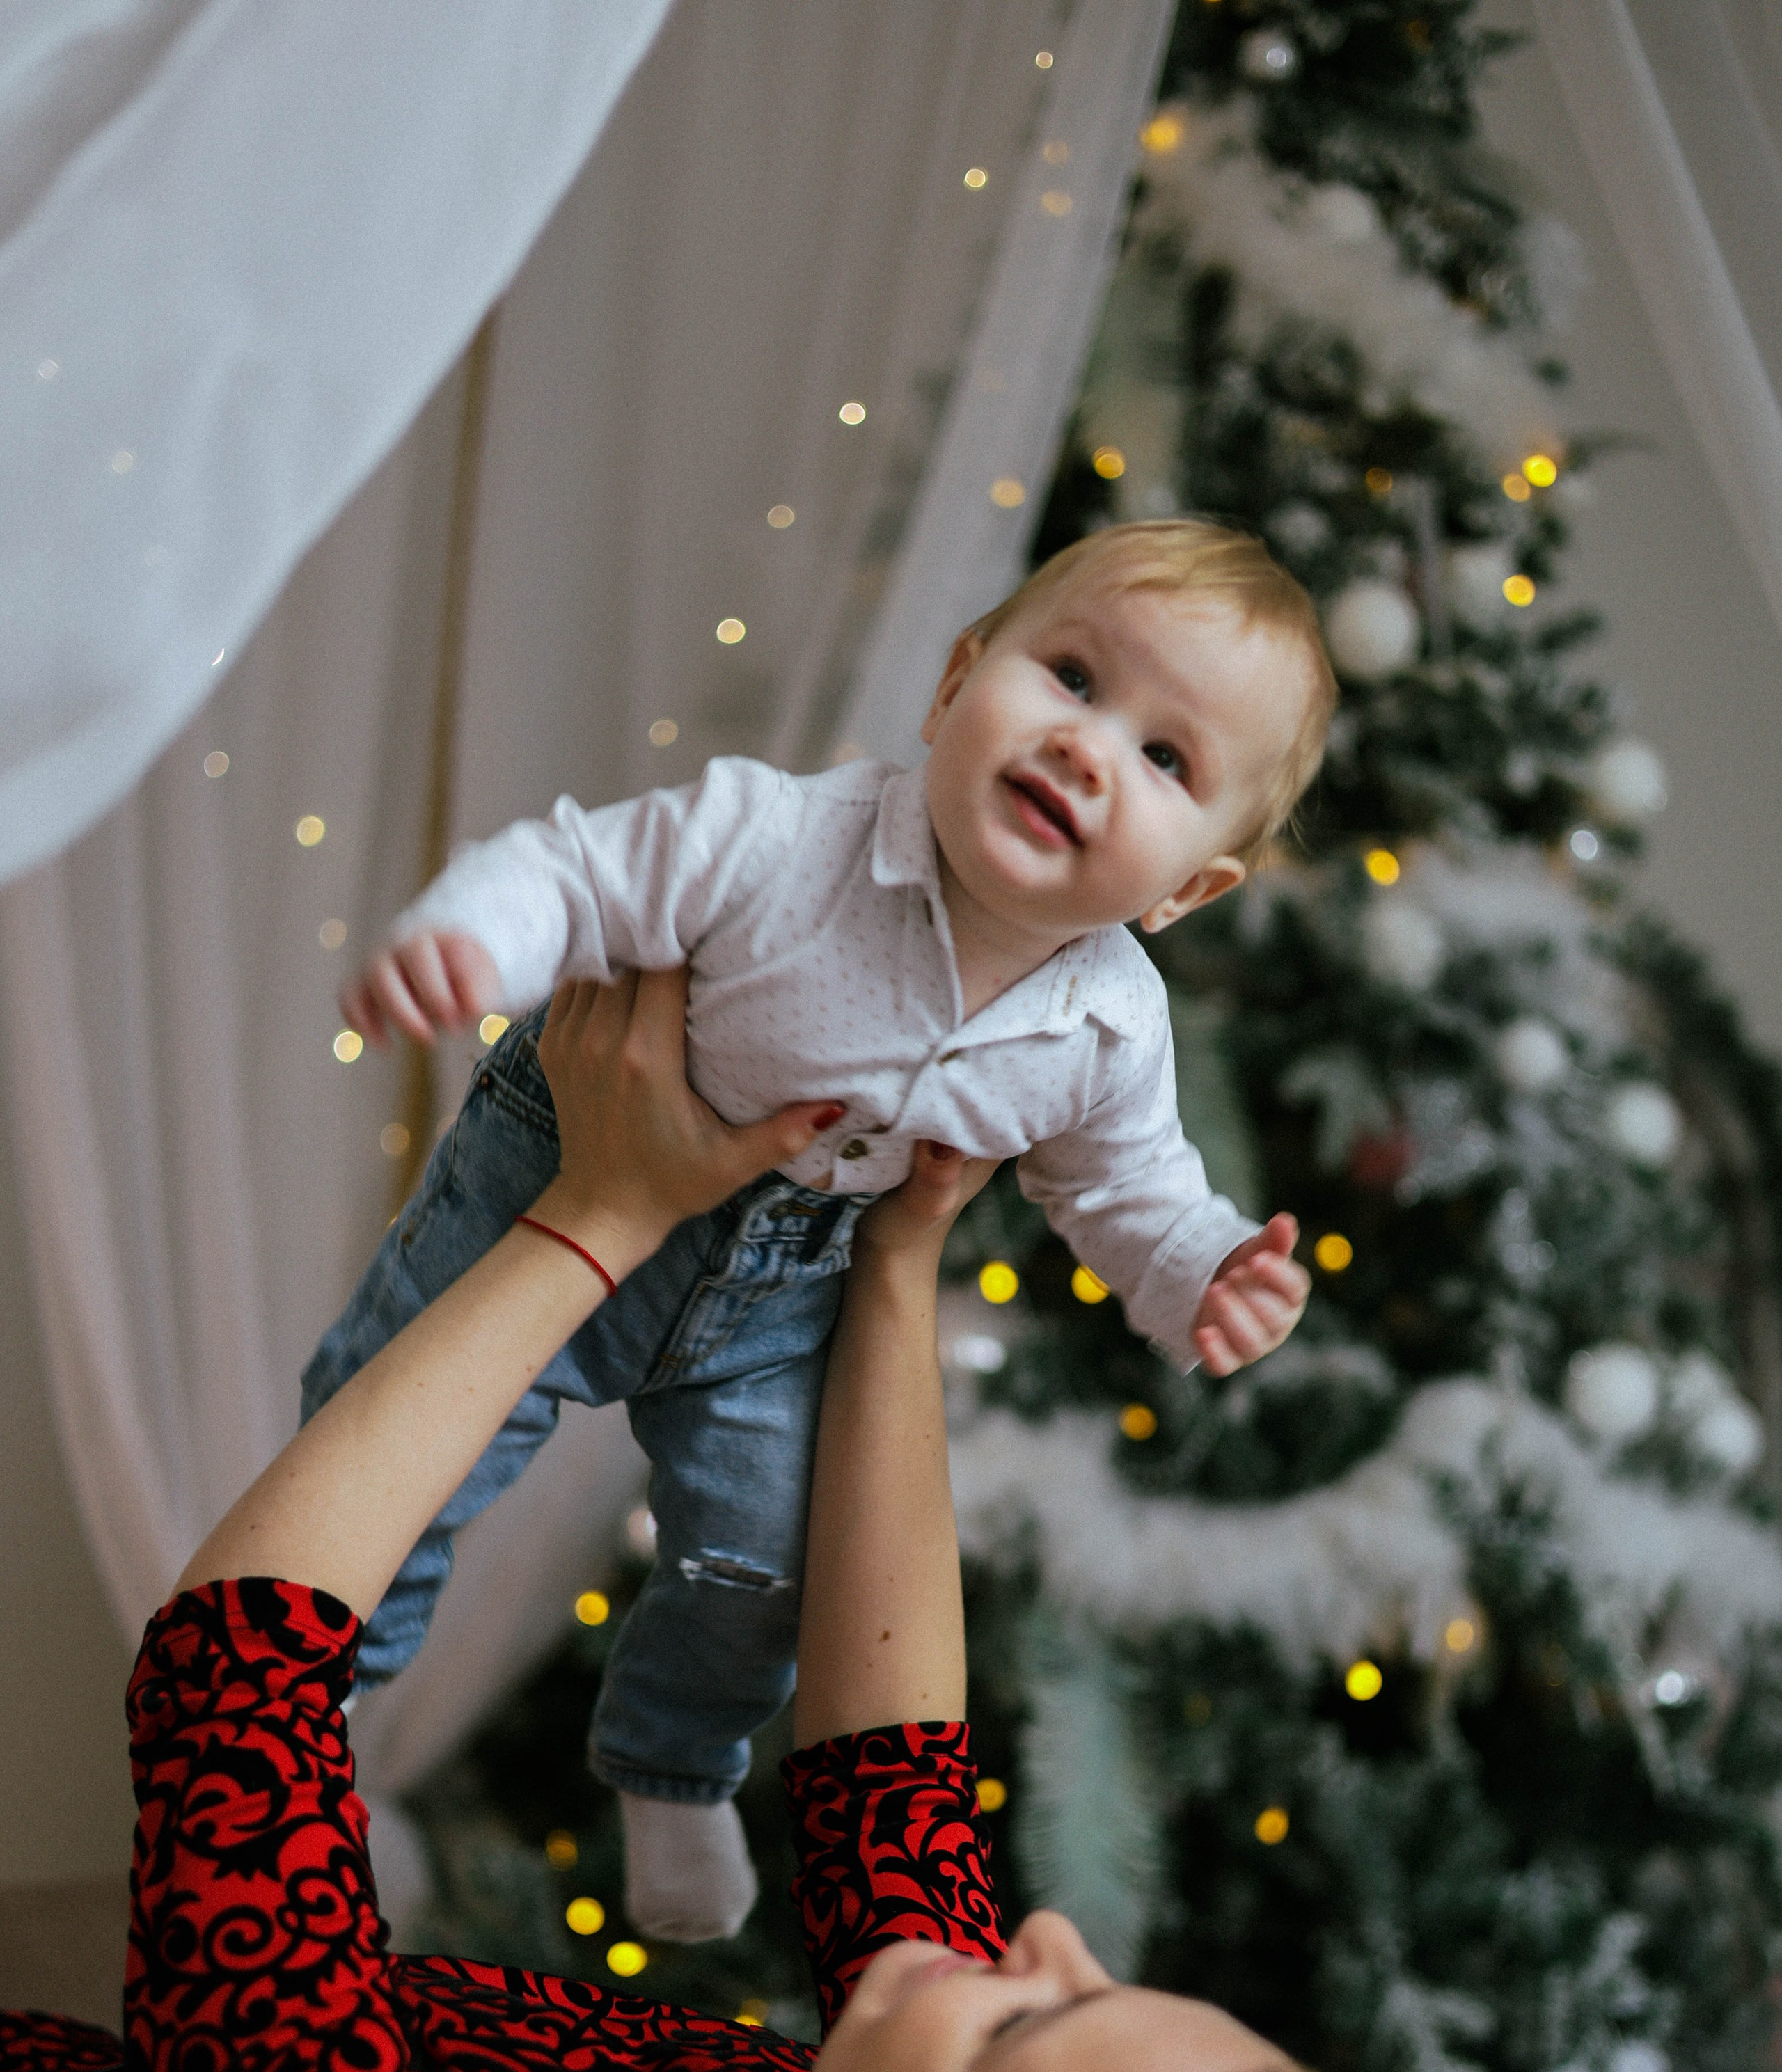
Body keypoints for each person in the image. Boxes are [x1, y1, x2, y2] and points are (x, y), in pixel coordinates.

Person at [1, 970, 1589, 2072]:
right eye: (1097, 1980)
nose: (1040, 1938)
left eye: (1021, 2031)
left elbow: (233, 1672)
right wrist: (898, 1265)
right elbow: (885, 1771)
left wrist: (588, 1219)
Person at [306, 519, 1326, 1943]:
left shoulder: (1106, 1024)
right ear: (954, 686)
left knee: (767, 1560)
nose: (1091, 749)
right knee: (397, 1441)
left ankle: (671, 1770)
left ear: (1186, 890)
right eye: (1072, 679)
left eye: (1168, 760)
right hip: (552, 1169)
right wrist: (476, 941)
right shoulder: (783, 837)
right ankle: (314, 1718)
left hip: (788, 1285)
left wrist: (1202, 1274)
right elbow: (579, 872)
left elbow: (1126, 1190)